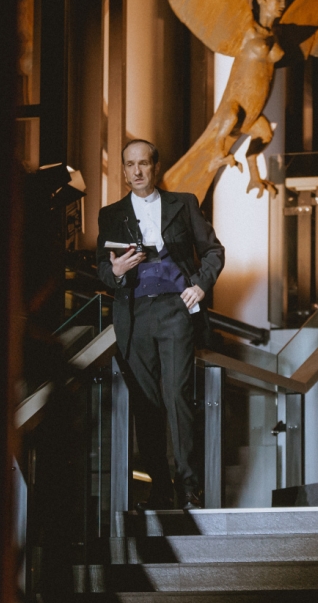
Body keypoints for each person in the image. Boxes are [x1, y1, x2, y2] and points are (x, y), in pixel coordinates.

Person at [97, 139, 224, 509]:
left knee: (177, 395)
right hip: (135, 315)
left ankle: (188, 487)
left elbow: (213, 251)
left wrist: (200, 285)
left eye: (143, 163)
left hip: (175, 310)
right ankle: (160, 488)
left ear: (155, 167)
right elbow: (102, 269)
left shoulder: (183, 203)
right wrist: (115, 271)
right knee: (146, 403)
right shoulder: (111, 214)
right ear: (124, 171)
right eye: (130, 164)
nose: (137, 171)